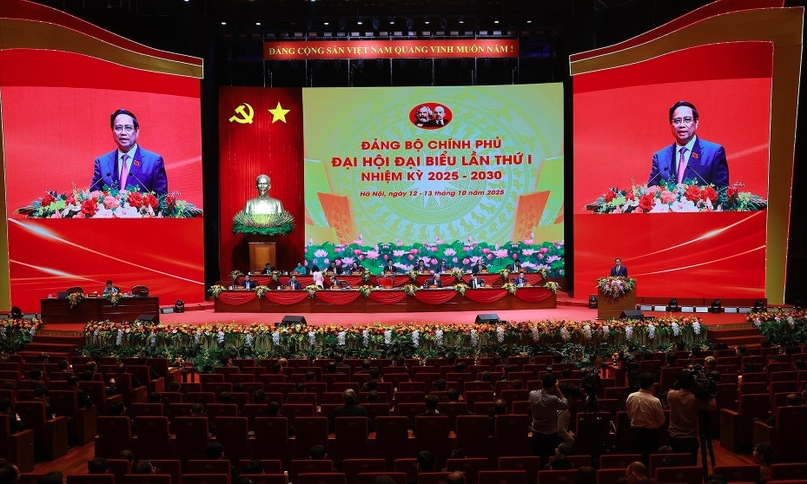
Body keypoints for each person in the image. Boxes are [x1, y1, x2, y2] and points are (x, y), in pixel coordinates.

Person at [647, 101, 728, 188]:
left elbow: (721, 192)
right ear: (671, 124)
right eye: (677, 121)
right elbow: (651, 192)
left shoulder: (713, 153)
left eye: (687, 120)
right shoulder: (660, 157)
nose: (682, 125)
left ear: (696, 123)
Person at [91, 109, 168, 195]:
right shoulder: (102, 163)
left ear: (137, 131)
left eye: (128, 128)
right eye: (118, 128)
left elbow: (162, 200)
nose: (123, 132)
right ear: (113, 131)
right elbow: (93, 199)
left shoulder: (153, 161)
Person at [666, 368, 716, 463]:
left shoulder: (671, 395)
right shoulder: (696, 399)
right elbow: (713, 406)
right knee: (690, 466)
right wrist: (710, 393)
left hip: (673, 437)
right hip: (690, 439)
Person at [625, 372, 666, 464]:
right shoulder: (655, 401)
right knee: (649, 460)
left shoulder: (631, 396)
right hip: (651, 433)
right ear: (652, 385)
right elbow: (661, 420)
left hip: (636, 432)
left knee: (636, 459)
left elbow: (630, 415)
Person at [530, 372, 568, 466]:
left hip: (537, 433)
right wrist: (558, 389)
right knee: (550, 460)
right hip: (550, 435)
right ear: (554, 385)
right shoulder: (553, 399)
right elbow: (566, 404)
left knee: (538, 460)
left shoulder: (532, 394)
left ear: (541, 382)